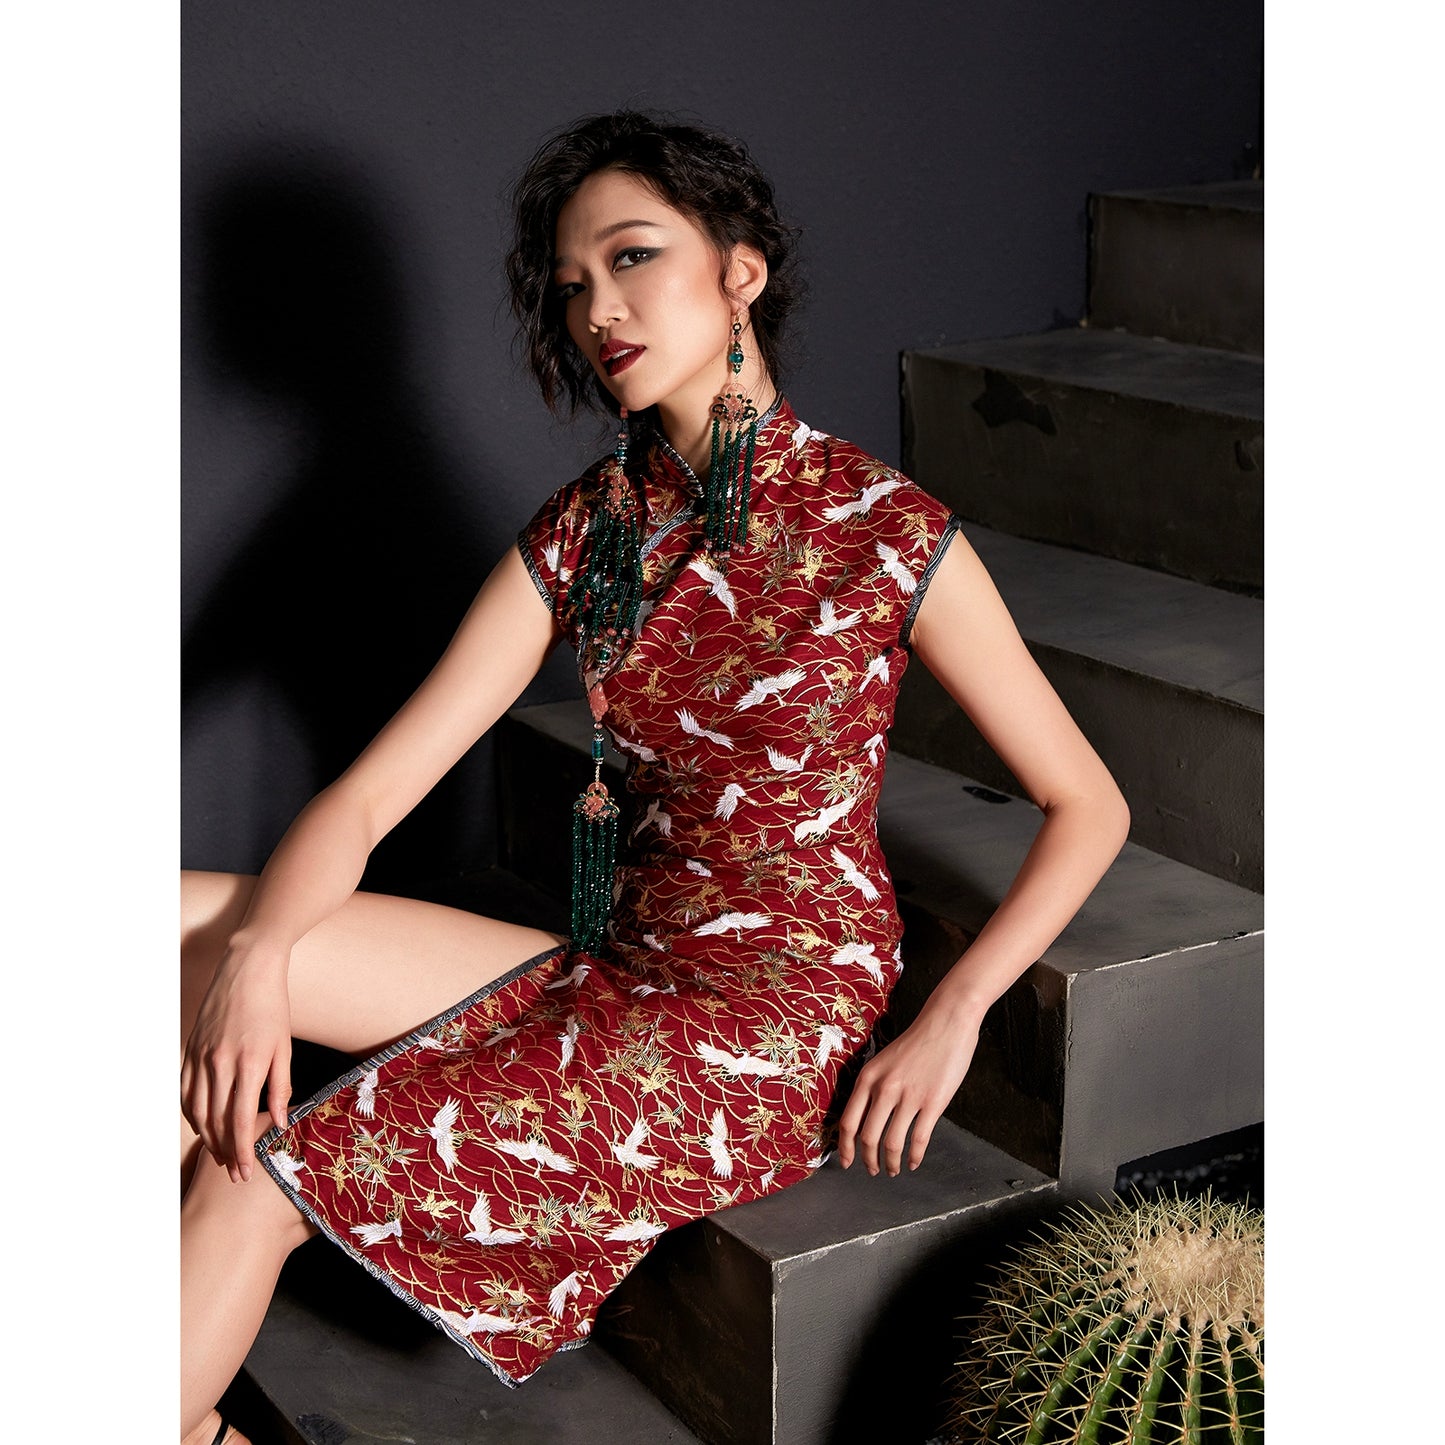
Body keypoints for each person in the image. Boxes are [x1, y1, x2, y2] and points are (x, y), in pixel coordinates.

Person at [179, 109, 1130, 1445]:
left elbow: (1088, 801)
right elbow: (369, 793)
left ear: (740, 270)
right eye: (571, 287)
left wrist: (955, 1008)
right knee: (167, 929)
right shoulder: (589, 531)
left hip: (763, 1022)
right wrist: (256, 958)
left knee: (258, 1179)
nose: (597, 310)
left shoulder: (881, 526)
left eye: (632, 259)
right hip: (619, 957)